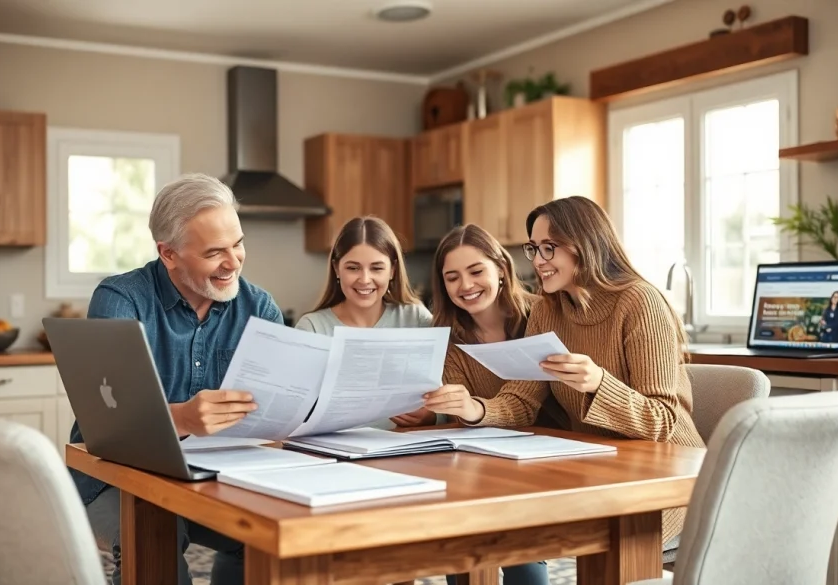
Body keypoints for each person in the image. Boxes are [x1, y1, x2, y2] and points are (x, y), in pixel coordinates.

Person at [422, 196, 705, 548]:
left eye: (549, 248)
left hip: (670, 479)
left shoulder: (639, 302)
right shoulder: (548, 310)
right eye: (534, 249)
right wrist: (474, 409)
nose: (538, 262)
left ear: (583, 245)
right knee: (510, 524)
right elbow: (522, 401)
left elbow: (663, 422)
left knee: (577, 535)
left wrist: (600, 383)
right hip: (603, 470)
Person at [72, 173, 284, 585]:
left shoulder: (258, 306)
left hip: (220, 474)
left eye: (238, 243)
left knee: (269, 534)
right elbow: (106, 422)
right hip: (117, 476)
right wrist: (183, 419)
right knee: (158, 534)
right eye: (214, 252)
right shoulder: (121, 300)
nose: (234, 261)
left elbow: (280, 408)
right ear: (168, 254)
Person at [403, 223, 549, 585]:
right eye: (452, 277)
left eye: (475, 271)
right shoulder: (449, 337)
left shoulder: (541, 315)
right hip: (486, 462)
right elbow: (458, 413)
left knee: (522, 555)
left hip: (545, 458)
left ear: (501, 267)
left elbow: (523, 403)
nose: (465, 286)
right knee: (462, 540)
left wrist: (474, 409)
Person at [295, 216, 432, 429]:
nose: (365, 279)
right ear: (336, 269)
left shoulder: (416, 319)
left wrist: (431, 417)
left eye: (377, 268)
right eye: (353, 268)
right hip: (333, 454)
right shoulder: (312, 328)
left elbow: (446, 400)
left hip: (405, 453)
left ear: (392, 270)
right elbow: (294, 412)